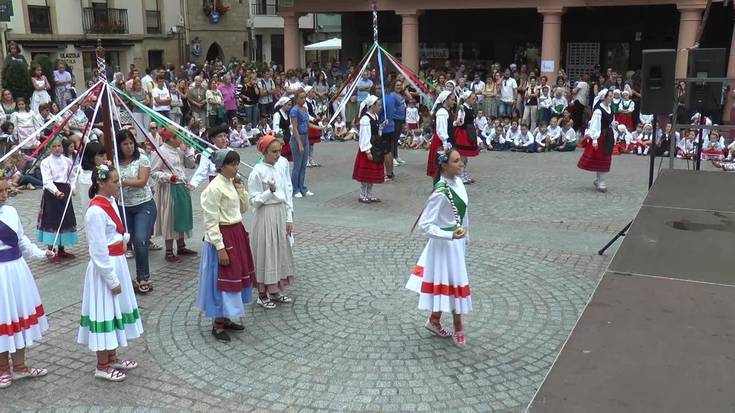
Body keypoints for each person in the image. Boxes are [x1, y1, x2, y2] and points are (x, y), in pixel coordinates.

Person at [78, 165, 143, 382]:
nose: (118, 185)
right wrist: (111, 279)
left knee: (116, 310)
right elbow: (97, 250)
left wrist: (122, 241)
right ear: (101, 183)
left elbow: (115, 232)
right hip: (105, 269)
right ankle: (102, 365)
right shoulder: (95, 211)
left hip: (118, 262)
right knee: (105, 311)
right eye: (114, 181)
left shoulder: (111, 202)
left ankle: (112, 356)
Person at [406, 149, 471, 348]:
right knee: (451, 283)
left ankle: (434, 319)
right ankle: (458, 326)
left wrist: (466, 236)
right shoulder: (440, 192)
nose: (461, 164)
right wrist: (449, 234)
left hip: (456, 243)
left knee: (450, 283)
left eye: (461, 160)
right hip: (443, 246)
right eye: (457, 161)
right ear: (444, 165)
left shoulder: (459, 183)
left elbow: (464, 214)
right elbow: (425, 225)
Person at [0, 180, 55, 389]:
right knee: (3, 317)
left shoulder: (11, 212)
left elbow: (21, 240)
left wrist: (41, 253)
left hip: (16, 270)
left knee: (19, 315)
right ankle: (3, 367)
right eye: (0, 191)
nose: (4, 195)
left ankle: (20, 366)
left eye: (6, 190)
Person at [197, 149, 254, 342]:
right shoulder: (214, 188)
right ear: (221, 166)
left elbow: (243, 208)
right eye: (232, 164)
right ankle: (217, 322)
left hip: (236, 232)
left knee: (235, 275)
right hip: (222, 236)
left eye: (237, 163)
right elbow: (210, 221)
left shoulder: (231, 183)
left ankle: (226, 317)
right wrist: (220, 247)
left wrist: (241, 189)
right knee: (220, 279)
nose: (236, 168)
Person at [247, 134, 295, 309]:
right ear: (264, 152)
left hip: (279, 213)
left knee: (279, 249)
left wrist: (289, 218)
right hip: (265, 215)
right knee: (266, 251)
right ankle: (262, 293)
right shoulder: (257, 172)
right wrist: (269, 192)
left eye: (279, 151)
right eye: (274, 152)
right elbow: (253, 201)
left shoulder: (280, 168)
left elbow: (287, 193)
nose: (278, 155)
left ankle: (274, 290)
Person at [118, 130, 156, 294]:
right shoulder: (114, 161)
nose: (129, 147)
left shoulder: (142, 159)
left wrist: (122, 182)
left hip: (143, 204)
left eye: (131, 143)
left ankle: (143, 276)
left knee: (141, 240)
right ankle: (123, 278)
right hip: (123, 206)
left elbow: (142, 181)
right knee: (129, 242)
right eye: (125, 144)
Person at [150, 129, 197, 262]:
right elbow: (154, 172)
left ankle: (181, 246)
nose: (180, 139)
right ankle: (169, 250)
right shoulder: (160, 152)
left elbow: (191, 164)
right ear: (170, 139)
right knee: (170, 218)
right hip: (169, 188)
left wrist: (187, 150)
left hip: (182, 186)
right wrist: (169, 177)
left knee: (182, 215)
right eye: (177, 137)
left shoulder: (180, 150)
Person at [37, 137, 79, 261]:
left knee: (65, 219)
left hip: (65, 191)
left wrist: (73, 188)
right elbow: (47, 180)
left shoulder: (67, 161)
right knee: (52, 220)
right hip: (52, 193)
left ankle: (61, 249)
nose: (57, 149)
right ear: (49, 148)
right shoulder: (46, 162)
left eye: (59, 146)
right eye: (54, 146)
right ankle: (51, 250)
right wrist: (55, 191)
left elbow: (72, 177)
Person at [577, 89, 614, 193]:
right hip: (600, 136)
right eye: (610, 96)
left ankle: (599, 180)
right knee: (601, 157)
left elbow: (610, 121)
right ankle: (601, 181)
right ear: (604, 97)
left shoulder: (609, 108)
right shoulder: (598, 110)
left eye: (612, 96)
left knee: (605, 157)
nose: (611, 98)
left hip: (608, 135)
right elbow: (595, 125)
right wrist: (594, 139)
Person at [353, 95, 385, 203]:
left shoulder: (375, 116)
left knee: (372, 174)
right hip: (368, 147)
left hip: (376, 146)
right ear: (372, 106)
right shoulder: (365, 119)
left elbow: (375, 132)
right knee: (366, 174)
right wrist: (367, 151)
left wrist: (381, 127)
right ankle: (362, 194)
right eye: (378, 105)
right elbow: (364, 136)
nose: (380, 107)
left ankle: (369, 194)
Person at [290, 92, 320, 198]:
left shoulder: (305, 109)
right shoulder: (294, 110)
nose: (303, 100)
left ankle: (302, 187)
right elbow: (294, 128)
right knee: (297, 166)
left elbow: (308, 124)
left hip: (305, 137)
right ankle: (295, 189)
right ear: (296, 98)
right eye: (301, 98)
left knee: (303, 165)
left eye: (304, 98)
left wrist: (320, 128)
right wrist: (299, 143)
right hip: (297, 138)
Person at [190, 125, 229, 189]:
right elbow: (202, 170)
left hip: (229, 184)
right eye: (220, 136)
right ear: (213, 139)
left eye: (225, 136)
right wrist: (193, 183)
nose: (223, 138)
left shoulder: (230, 151)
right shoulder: (208, 152)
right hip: (216, 186)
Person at [427, 91, 456, 177]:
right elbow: (441, 130)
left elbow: (447, 124)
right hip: (441, 141)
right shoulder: (442, 112)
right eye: (452, 100)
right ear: (445, 100)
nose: (453, 102)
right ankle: (438, 188)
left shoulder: (447, 110)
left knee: (443, 168)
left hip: (444, 140)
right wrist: (445, 144)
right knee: (439, 168)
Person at [453, 91, 480, 184]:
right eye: (473, 98)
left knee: (465, 157)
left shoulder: (469, 108)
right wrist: (459, 120)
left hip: (469, 132)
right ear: (467, 99)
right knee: (462, 156)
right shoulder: (462, 109)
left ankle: (463, 175)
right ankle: (460, 176)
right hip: (463, 133)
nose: (474, 100)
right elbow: (459, 122)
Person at [76, 141, 108, 213]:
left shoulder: (100, 170)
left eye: (105, 155)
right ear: (91, 157)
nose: (105, 158)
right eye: (101, 156)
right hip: (95, 212)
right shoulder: (88, 176)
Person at [272, 96, 293, 162]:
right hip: (280, 138)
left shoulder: (287, 114)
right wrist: (280, 138)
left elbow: (290, 125)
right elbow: (276, 127)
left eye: (290, 105)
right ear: (283, 105)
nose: (290, 106)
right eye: (288, 105)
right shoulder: (277, 114)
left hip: (287, 137)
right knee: (280, 158)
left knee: (287, 159)